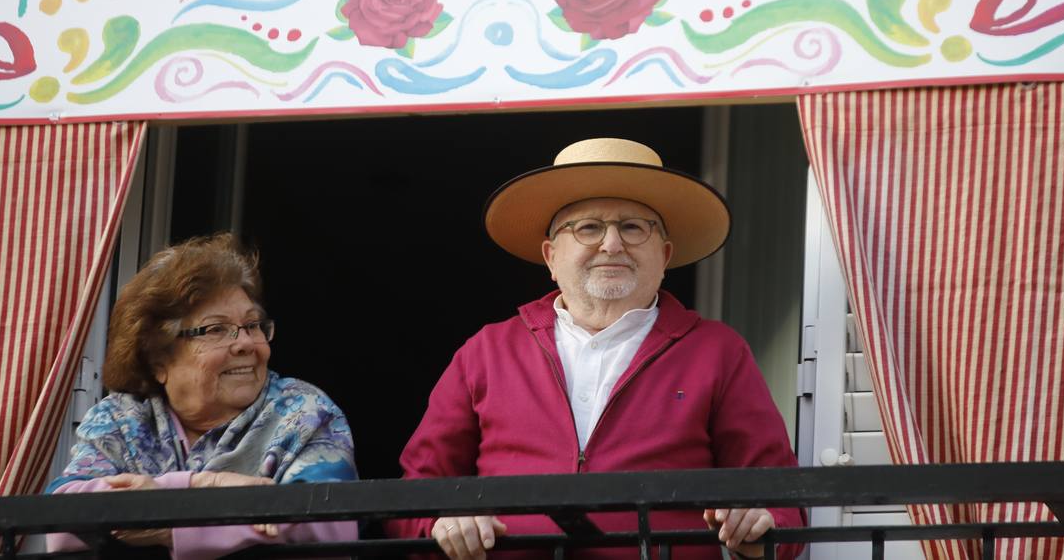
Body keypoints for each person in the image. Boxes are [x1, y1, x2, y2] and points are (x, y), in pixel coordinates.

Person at [387, 138, 806, 560]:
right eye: (588, 227)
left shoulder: (718, 351)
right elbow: (415, 496)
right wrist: (442, 522)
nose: (611, 244)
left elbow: (783, 509)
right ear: (551, 257)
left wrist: (759, 524)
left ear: (664, 256)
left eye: (633, 227)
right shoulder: (487, 350)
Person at [46, 233, 357, 560]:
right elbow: (62, 520)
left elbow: (330, 524)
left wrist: (174, 526)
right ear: (158, 360)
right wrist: (202, 485)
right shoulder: (121, 419)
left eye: (252, 325)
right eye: (216, 329)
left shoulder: (304, 411)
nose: (246, 344)